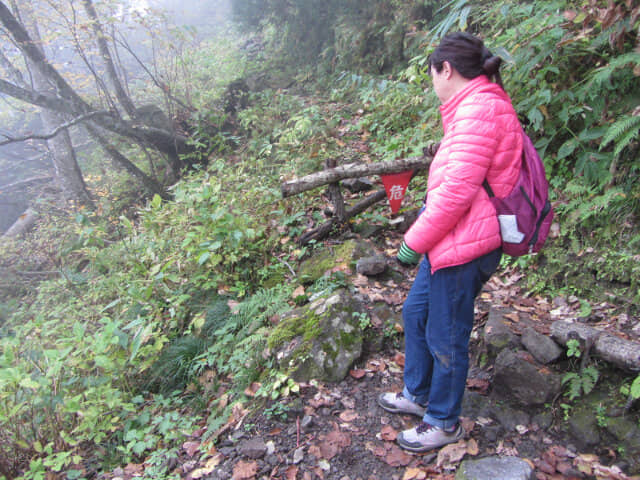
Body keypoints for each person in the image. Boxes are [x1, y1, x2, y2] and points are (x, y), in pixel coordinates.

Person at [378, 32, 523, 453]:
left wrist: (412, 241)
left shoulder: (481, 109)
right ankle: (418, 393)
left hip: (466, 243)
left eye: (432, 74)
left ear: (447, 69)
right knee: (416, 311)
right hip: (450, 240)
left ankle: (443, 420)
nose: (432, 83)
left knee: (446, 333)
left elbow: (456, 192)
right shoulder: (471, 106)